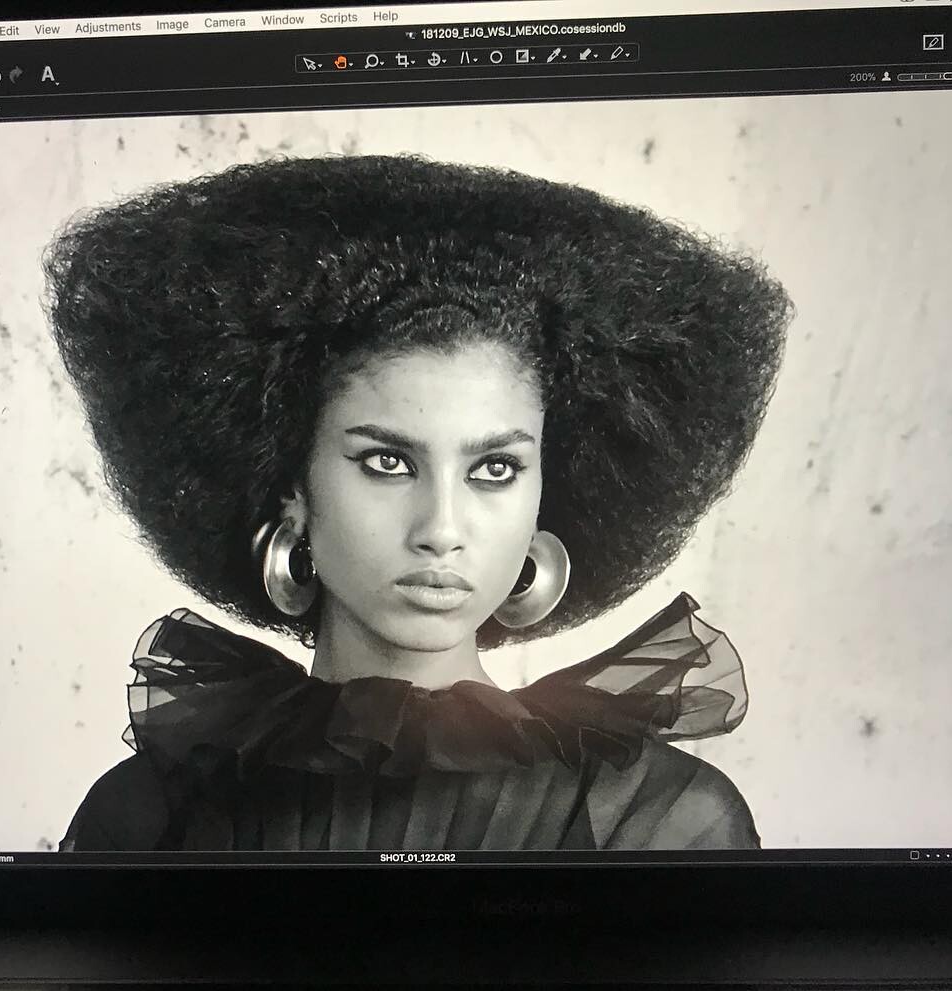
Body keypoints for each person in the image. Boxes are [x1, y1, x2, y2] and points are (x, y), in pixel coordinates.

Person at [43, 153, 793, 852]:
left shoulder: (660, 816)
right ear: (293, 490)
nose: (441, 528)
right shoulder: (153, 814)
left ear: (545, 495)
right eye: (388, 462)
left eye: (494, 468)